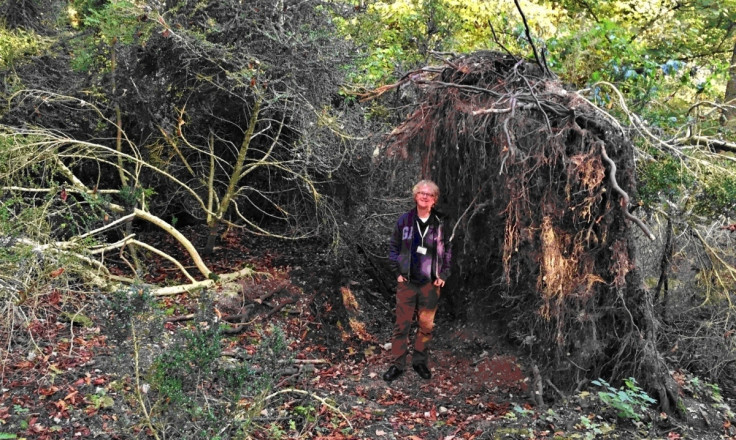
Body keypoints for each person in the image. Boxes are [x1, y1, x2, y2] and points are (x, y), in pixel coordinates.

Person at [383, 179, 452, 382]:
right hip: (407, 282)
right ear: (415, 196)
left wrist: (444, 274)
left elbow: (447, 250)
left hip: (430, 284)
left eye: (429, 194)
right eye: (421, 193)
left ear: (434, 200)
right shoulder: (404, 221)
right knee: (401, 325)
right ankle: (397, 364)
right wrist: (397, 272)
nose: (424, 196)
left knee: (426, 326)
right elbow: (393, 247)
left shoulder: (440, 224)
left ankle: (419, 362)